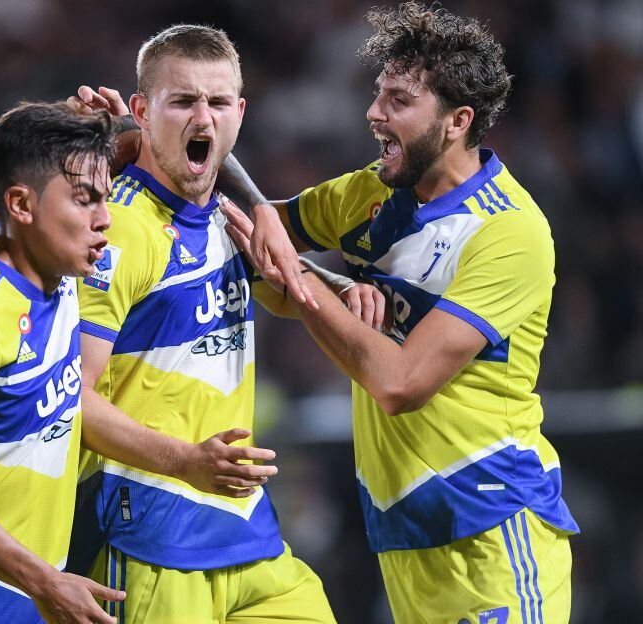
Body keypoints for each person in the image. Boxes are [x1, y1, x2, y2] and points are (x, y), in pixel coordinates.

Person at [221, 3, 577, 622]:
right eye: (378, 93)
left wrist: (306, 284)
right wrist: (144, 150)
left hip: (491, 530)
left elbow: (400, 383)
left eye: (399, 100)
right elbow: (253, 243)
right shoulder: (368, 193)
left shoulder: (509, 232)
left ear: (458, 121)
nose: (373, 112)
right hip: (404, 535)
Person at [0, 101, 281, 624]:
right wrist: (44, 582)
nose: (105, 219)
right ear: (20, 204)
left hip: (32, 590)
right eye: (85, 201)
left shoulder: (60, 283)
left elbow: (184, 136)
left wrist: (254, 203)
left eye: (104, 197)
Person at [69, 25, 339, 623]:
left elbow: (286, 293)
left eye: (218, 102)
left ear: (239, 114)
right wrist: (185, 461)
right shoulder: (116, 230)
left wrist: (344, 288)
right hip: (151, 537)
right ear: (141, 112)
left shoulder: (226, 216)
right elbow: (70, 399)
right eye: (183, 101)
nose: (203, 117)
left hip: (247, 531)